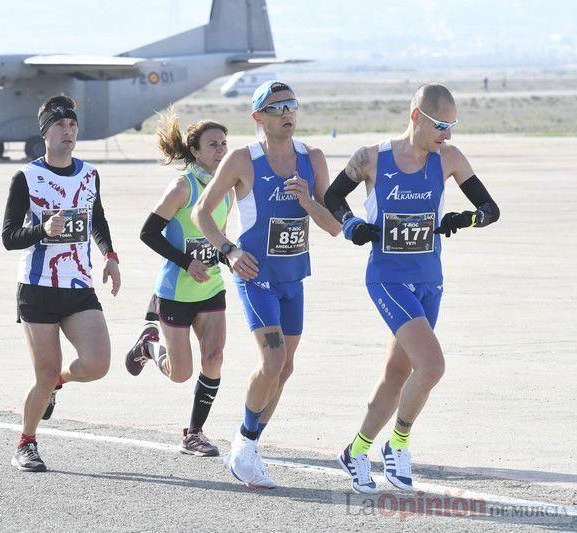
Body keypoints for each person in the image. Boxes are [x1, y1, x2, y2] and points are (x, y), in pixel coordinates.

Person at [324, 83, 500, 493]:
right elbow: (332, 196)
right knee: (432, 366)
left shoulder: (449, 159)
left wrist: (463, 220)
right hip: (387, 277)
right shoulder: (371, 158)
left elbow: (490, 210)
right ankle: (398, 443)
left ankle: (355, 451)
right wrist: (351, 226)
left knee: (397, 372)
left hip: (429, 278)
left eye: (453, 126)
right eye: (441, 125)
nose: (448, 135)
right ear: (416, 115)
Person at [192, 81, 341, 488]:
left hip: (294, 277)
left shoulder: (313, 157)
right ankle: (244, 446)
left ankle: (249, 446)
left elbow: (334, 226)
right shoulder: (243, 159)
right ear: (258, 117)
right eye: (277, 108)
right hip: (256, 277)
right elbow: (201, 213)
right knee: (271, 361)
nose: (287, 113)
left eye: (292, 105)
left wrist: (309, 202)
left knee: (286, 367)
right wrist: (229, 251)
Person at [1, 95, 121, 472]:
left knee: (98, 364)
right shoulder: (27, 177)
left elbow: (96, 218)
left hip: (78, 285)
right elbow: (8, 237)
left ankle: (59, 383)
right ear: (45, 133)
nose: (68, 131)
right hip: (36, 288)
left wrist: (111, 256)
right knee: (42, 372)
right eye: (60, 125)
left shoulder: (89, 174)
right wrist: (41, 229)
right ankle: (26, 441)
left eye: (72, 125)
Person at [125, 110, 232, 457]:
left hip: (211, 287)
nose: (220, 149)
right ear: (196, 150)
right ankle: (149, 346)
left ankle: (194, 433)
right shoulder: (183, 187)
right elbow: (147, 233)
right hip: (176, 291)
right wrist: (187, 261)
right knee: (180, 373)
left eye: (224, 144)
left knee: (214, 358)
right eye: (213, 144)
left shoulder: (226, 187)